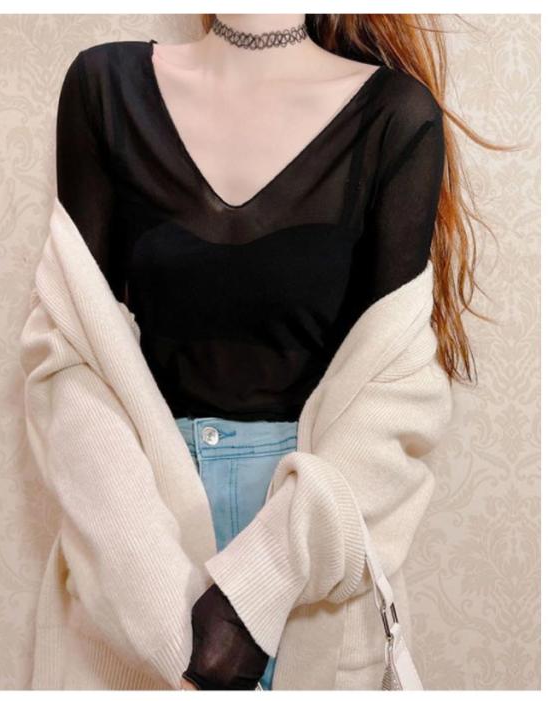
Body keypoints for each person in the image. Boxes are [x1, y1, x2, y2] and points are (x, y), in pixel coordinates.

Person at [53, 13, 488, 691]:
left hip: (313, 569)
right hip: (135, 559)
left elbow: (399, 393)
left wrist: (256, 587)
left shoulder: (395, 116)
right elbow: (69, 359)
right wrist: (162, 612)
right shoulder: (104, 87)